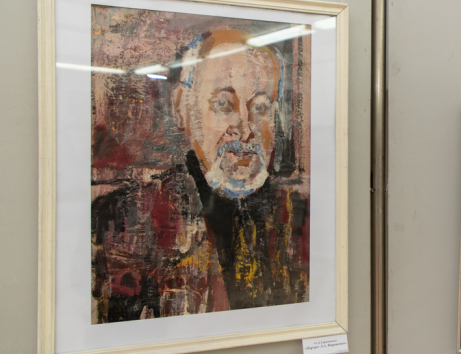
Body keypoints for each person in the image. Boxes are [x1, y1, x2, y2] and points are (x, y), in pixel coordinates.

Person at [91, 28, 310, 323]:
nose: (245, 129)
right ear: (182, 107)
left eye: (260, 107)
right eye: (223, 104)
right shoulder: (122, 224)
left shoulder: (300, 220)